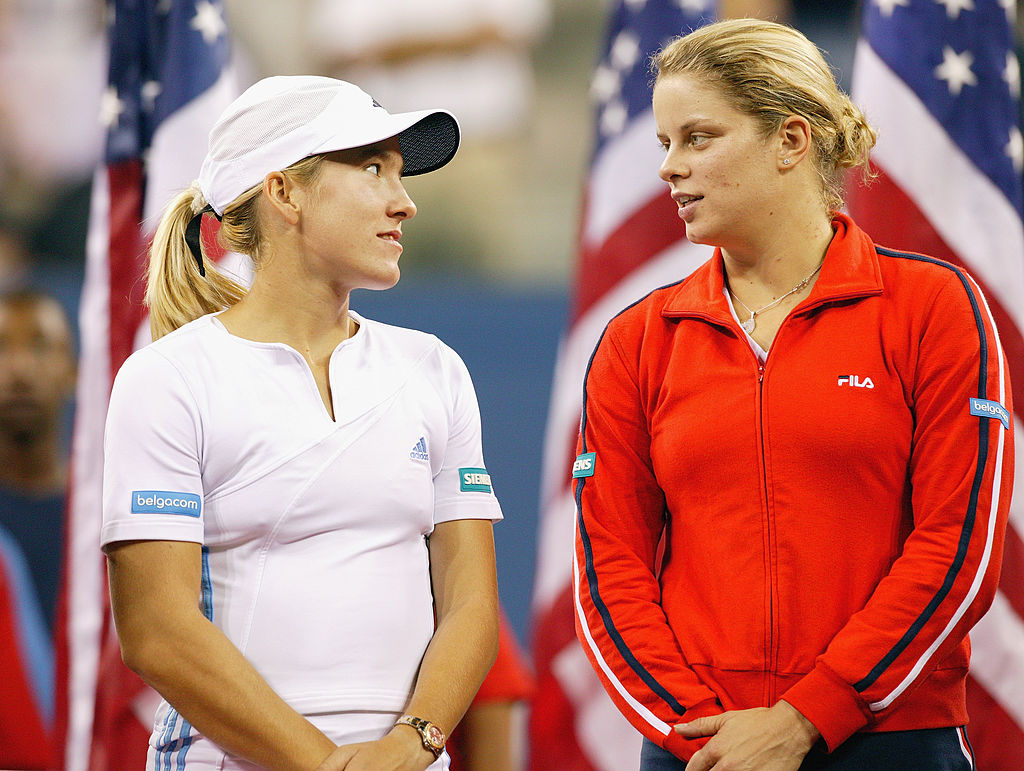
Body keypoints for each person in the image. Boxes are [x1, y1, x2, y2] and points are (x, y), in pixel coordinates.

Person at [573, 18, 1011, 771]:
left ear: (791, 141)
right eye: (663, 144)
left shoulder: (935, 306)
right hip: (704, 750)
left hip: (892, 741)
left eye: (697, 138)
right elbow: (609, 571)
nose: (669, 169)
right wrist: (701, 733)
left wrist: (810, 715)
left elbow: (958, 550)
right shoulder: (636, 339)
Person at [100, 75, 501, 770]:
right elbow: (156, 631)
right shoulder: (167, 378)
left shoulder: (435, 368)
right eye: (373, 169)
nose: (403, 202)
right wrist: (327, 763)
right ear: (284, 193)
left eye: (400, 175)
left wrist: (412, 744)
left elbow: (470, 605)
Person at [0, 288, 76, 770]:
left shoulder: (112, 521)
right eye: (2, 347)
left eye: (40, 346)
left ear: (73, 372)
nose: (20, 370)